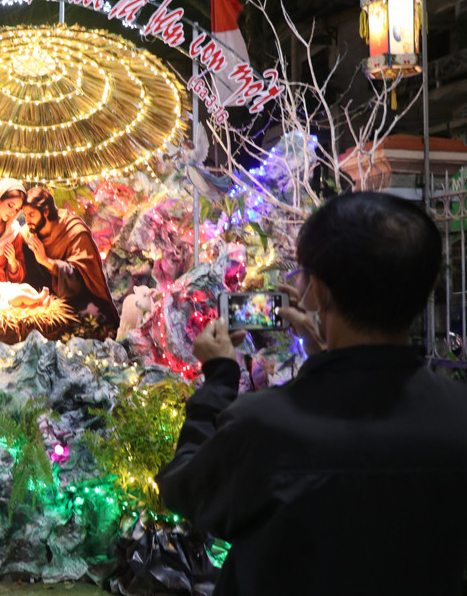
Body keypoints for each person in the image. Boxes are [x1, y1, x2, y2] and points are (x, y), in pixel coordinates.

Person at [155, 192, 467, 596]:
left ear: (317, 292)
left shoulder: (263, 425)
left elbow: (185, 490)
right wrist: (326, 354)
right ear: (431, 286)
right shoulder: (458, 418)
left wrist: (219, 377)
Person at [20, 186, 119, 334]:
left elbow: (81, 278)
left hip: (81, 299)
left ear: (46, 212)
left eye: (31, 215)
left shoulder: (74, 232)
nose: (27, 221)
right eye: (25, 215)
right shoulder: (29, 233)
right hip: (48, 298)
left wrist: (46, 261)